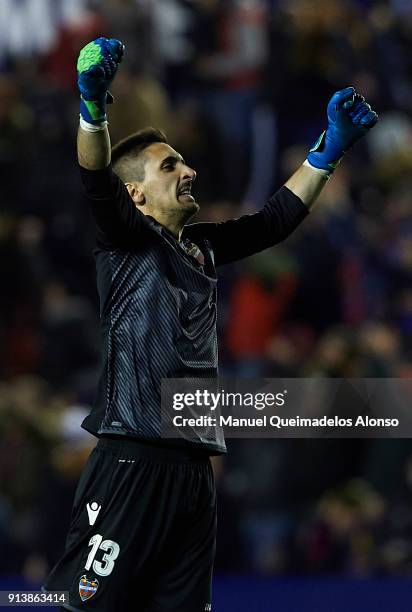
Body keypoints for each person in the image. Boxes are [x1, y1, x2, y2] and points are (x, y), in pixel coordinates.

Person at [43, 37, 378, 612]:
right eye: (170, 165)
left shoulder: (202, 247)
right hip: (133, 460)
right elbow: (94, 177)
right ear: (137, 194)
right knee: (76, 605)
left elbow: (272, 222)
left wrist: (327, 153)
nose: (189, 169)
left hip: (194, 471)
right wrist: (93, 109)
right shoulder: (126, 240)